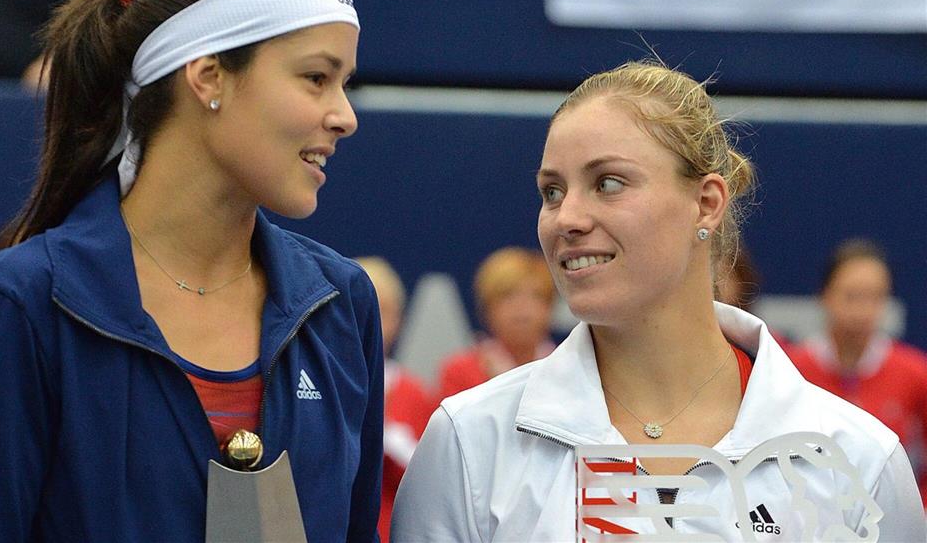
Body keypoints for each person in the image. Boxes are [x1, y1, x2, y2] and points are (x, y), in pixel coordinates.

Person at [391, 61, 925, 541]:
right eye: (552, 191)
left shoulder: (858, 459)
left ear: (706, 203)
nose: (568, 218)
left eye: (608, 183)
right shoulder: (470, 443)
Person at [0, 0, 383, 543]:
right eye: (317, 78)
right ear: (209, 76)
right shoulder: (26, 303)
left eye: (344, 82)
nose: (344, 116)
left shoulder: (343, 303)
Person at [787, 239, 927, 507]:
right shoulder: (791, 370)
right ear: (825, 295)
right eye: (851, 296)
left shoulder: (916, 373)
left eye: (876, 297)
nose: (863, 311)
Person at [355, 256, 436, 543]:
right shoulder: (319, 385)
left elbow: (431, 487)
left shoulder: (412, 392)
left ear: (399, 319)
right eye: (359, 309)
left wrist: (398, 448)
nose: (371, 320)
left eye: (384, 311)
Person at [437, 246, 556, 400]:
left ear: (550, 307)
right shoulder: (459, 371)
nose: (521, 307)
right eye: (508, 296)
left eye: (536, 295)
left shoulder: (570, 367)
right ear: (487, 308)